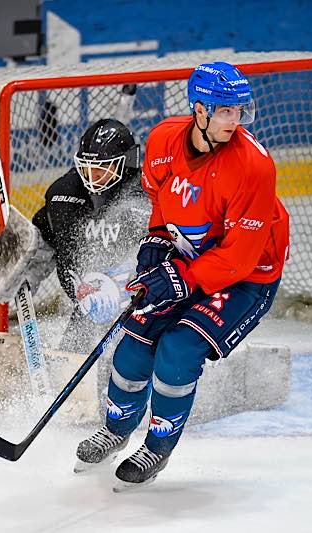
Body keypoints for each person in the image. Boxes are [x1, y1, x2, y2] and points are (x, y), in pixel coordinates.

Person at [74, 62, 290, 490]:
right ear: (199, 109)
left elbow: (239, 259)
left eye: (239, 111)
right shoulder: (162, 140)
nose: (235, 120)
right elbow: (163, 204)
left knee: (178, 348)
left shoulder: (253, 167)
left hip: (247, 275)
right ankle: (117, 430)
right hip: (191, 259)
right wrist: (157, 240)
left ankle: (157, 446)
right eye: (225, 111)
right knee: (134, 345)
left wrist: (183, 278)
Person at [0, 117, 148, 353]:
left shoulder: (146, 199)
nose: (93, 176)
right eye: (87, 168)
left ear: (125, 164)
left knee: (125, 373)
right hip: (87, 309)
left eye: (102, 169)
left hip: (137, 313)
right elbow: (42, 238)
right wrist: (11, 260)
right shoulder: (64, 194)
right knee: (70, 371)